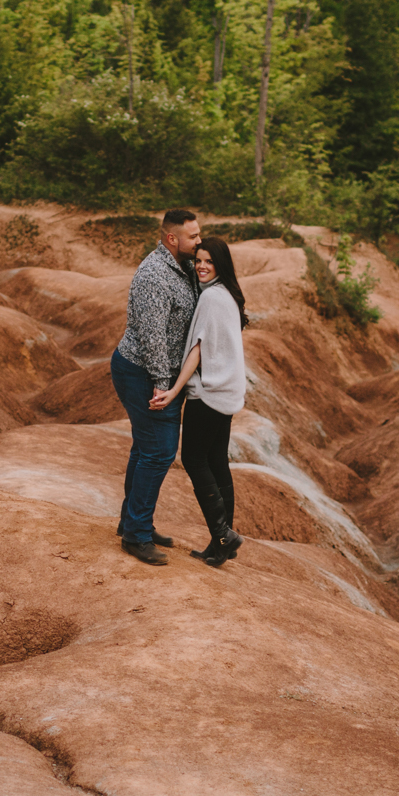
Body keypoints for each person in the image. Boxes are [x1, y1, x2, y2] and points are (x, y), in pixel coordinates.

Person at [109, 208, 200, 564]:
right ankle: (136, 535)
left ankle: (132, 522)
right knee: (159, 452)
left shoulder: (184, 266)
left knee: (144, 449)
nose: (199, 241)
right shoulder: (154, 276)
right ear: (171, 239)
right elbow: (152, 340)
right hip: (142, 371)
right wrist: (165, 387)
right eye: (193, 236)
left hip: (154, 370)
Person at [152, 237, 247, 566]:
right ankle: (221, 543)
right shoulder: (228, 296)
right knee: (218, 462)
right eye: (199, 260)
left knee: (194, 459)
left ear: (220, 264)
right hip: (229, 393)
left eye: (209, 261)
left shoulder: (211, 299)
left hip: (209, 394)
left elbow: (196, 349)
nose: (202, 266)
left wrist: (175, 390)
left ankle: (223, 534)